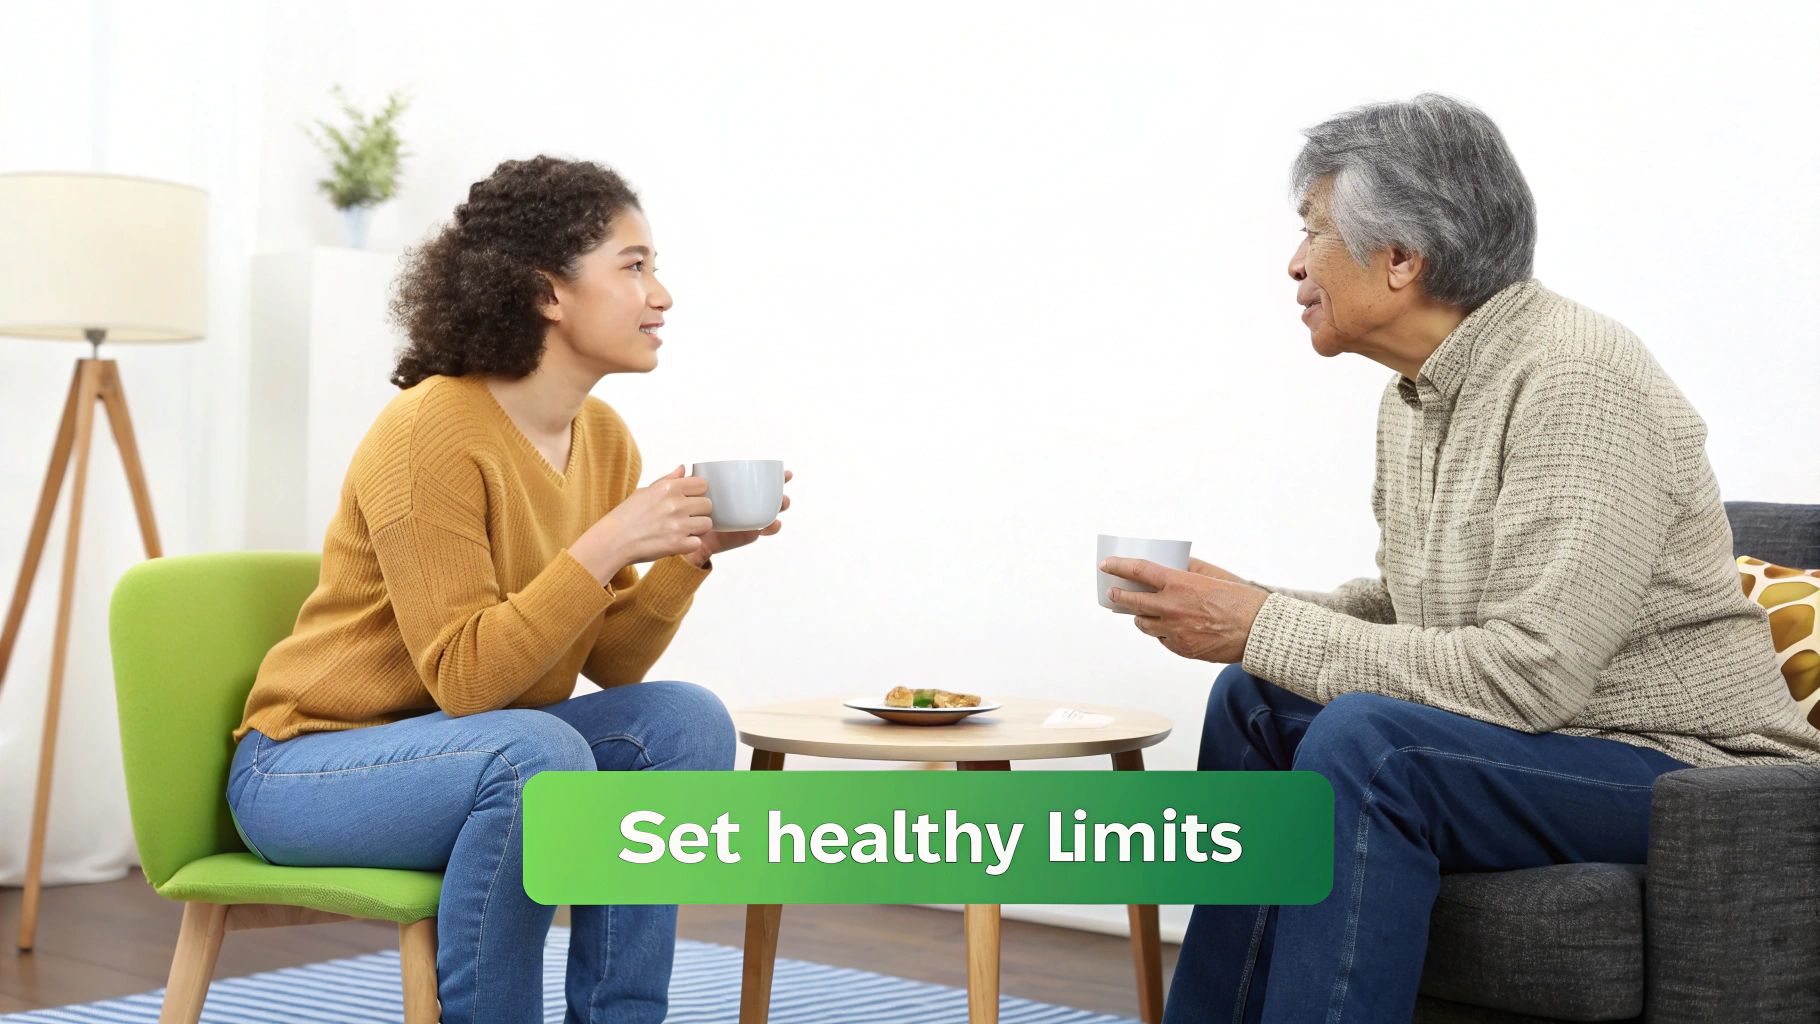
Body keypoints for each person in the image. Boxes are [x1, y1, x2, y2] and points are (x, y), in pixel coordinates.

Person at [1098, 94, 1820, 1022]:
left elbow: (1531, 675)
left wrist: (1266, 626)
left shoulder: (1576, 379)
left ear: (1400, 259)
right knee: (1254, 700)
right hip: (1556, 745)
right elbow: (1417, 613)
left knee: (1373, 744)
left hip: (1692, 774)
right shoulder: (1419, 396)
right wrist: (1247, 610)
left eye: (1312, 231)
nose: (1293, 264)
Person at [227, 156, 789, 1024]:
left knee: (684, 722)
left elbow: (612, 661)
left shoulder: (603, 438)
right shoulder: (432, 428)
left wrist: (687, 554)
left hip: (474, 749)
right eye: (634, 266)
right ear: (547, 293)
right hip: (307, 768)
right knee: (536, 757)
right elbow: (468, 681)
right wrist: (608, 543)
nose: (662, 294)